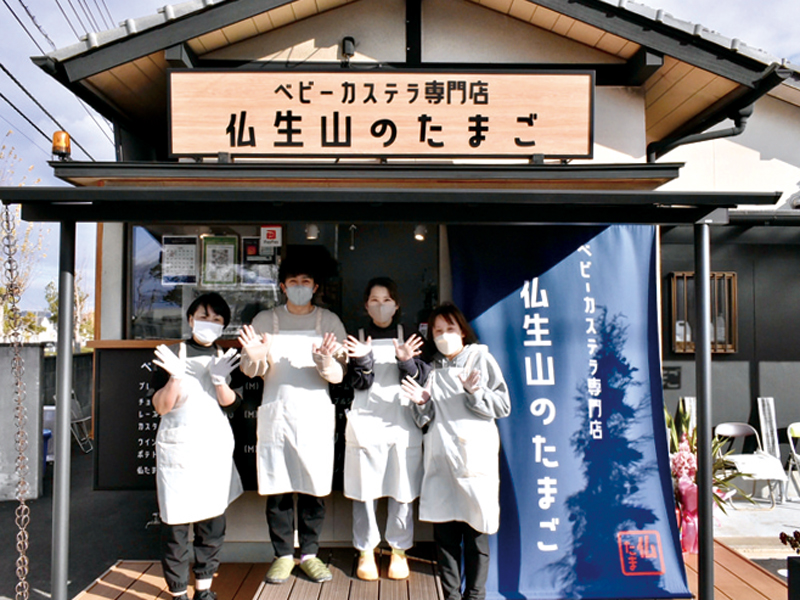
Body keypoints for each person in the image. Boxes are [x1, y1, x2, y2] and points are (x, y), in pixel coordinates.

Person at [238, 256, 347, 584]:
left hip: (314, 413)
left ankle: (311, 553)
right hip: (277, 413)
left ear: (315, 287)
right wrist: (255, 359)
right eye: (293, 282)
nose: (299, 287)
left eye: (306, 282)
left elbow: (340, 374)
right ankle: (283, 555)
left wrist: (326, 362)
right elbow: (249, 368)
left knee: (314, 488)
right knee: (278, 487)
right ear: (283, 286)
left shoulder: (329, 321)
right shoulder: (264, 320)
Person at [401, 302, 511, 600]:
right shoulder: (432, 367)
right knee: (445, 538)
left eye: (450, 329)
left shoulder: (480, 359)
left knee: (476, 532)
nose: (444, 335)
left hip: (474, 459)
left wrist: (475, 392)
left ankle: (475, 595)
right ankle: (450, 595)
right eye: (438, 331)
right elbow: (422, 418)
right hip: (441, 459)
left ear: (462, 331)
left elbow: (503, 406)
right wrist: (423, 401)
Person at [151, 292, 244, 600]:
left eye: (217, 320)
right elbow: (161, 407)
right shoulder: (171, 355)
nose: (209, 324)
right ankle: (178, 592)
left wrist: (220, 382)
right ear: (190, 319)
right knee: (175, 526)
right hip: (179, 448)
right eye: (204, 317)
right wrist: (175, 379)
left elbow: (231, 405)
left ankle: (203, 589)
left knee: (212, 522)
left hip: (213, 450)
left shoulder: (226, 357)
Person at [342, 277, 430, 581]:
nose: (381, 306)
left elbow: (422, 380)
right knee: (364, 491)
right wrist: (363, 359)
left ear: (397, 304)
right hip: (366, 422)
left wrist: (407, 360)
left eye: (387, 300)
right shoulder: (357, 336)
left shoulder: (413, 337)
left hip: (402, 422)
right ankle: (366, 550)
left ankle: (399, 551)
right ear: (366, 305)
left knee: (402, 489)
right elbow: (356, 383)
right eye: (375, 301)